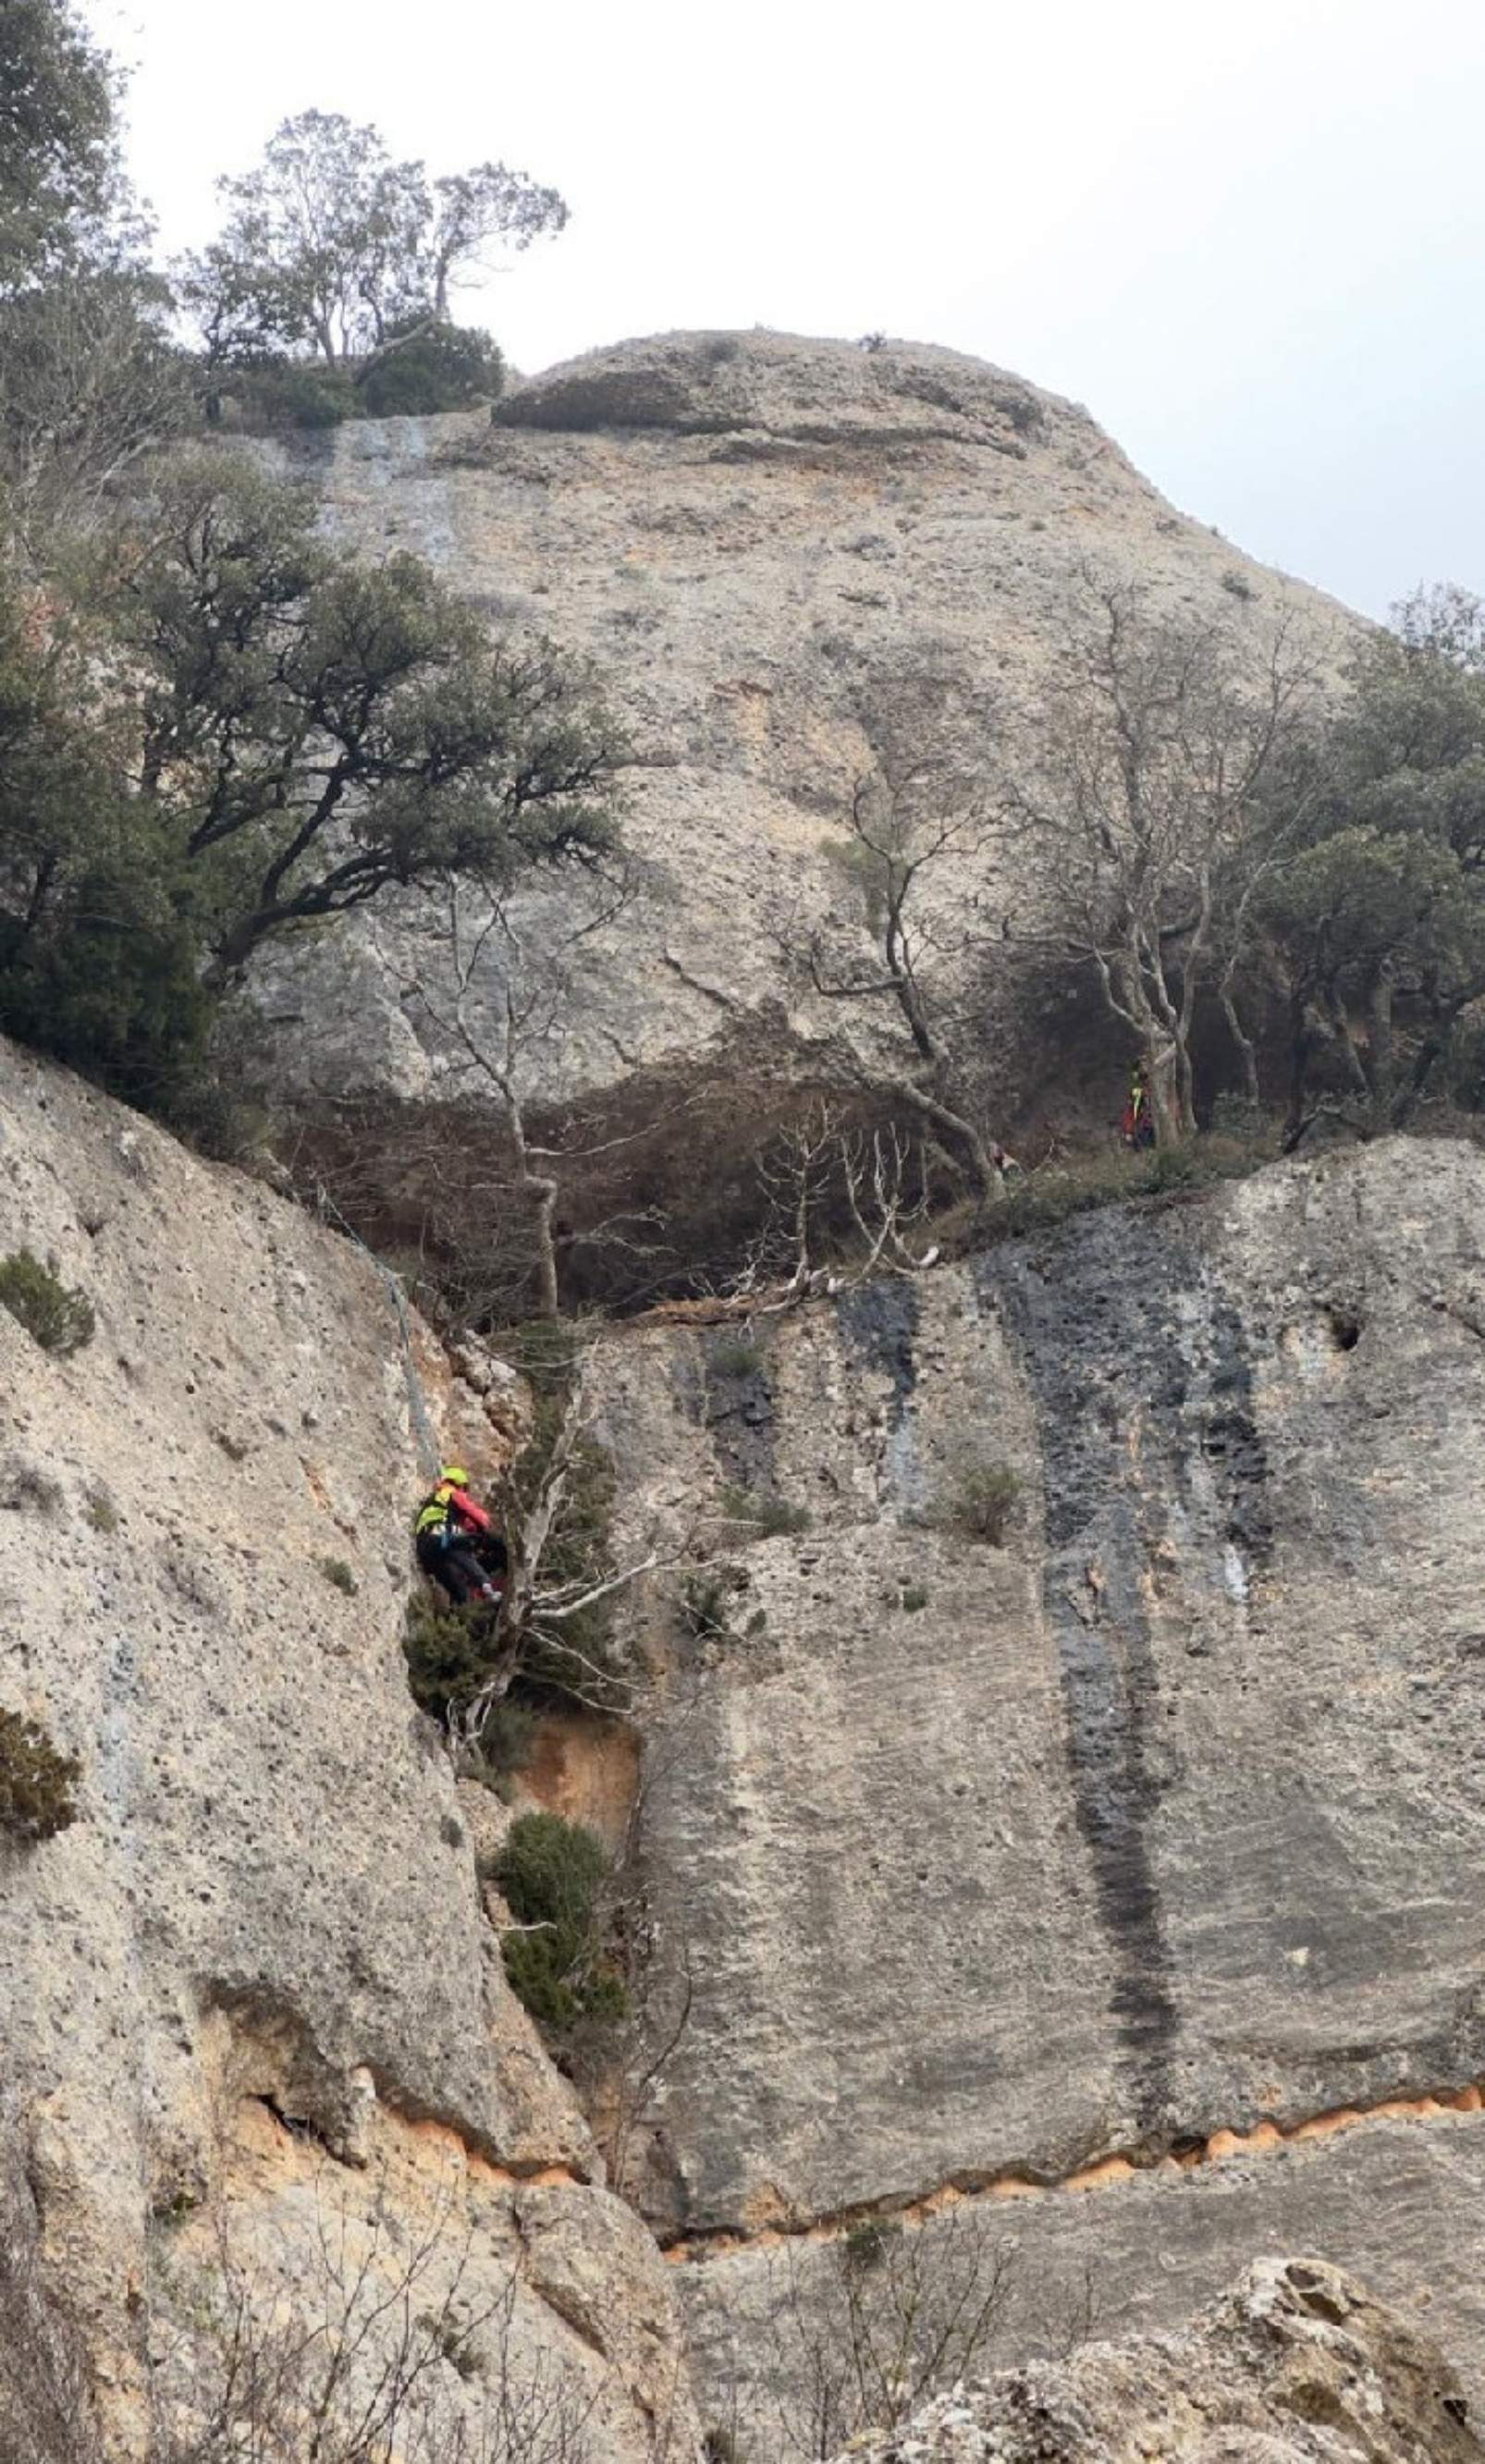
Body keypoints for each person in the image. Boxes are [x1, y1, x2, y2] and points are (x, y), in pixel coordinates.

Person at [413, 1465, 509, 1611]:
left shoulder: (435, 1500)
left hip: (427, 1550)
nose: (464, 1493)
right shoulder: (453, 1493)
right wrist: (487, 1536)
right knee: (467, 1544)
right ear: (459, 1484)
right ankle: (487, 1586)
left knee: (458, 1589)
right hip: (440, 1536)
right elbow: (480, 1518)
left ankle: (461, 1609)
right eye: (464, 1489)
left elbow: (463, 1525)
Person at [1122, 1062, 1156, 1150]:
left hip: (1158, 1126)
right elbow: (1130, 1112)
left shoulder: (1162, 1089)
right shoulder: (1137, 1092)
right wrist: (1129, 1131)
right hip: (1144, 1128)